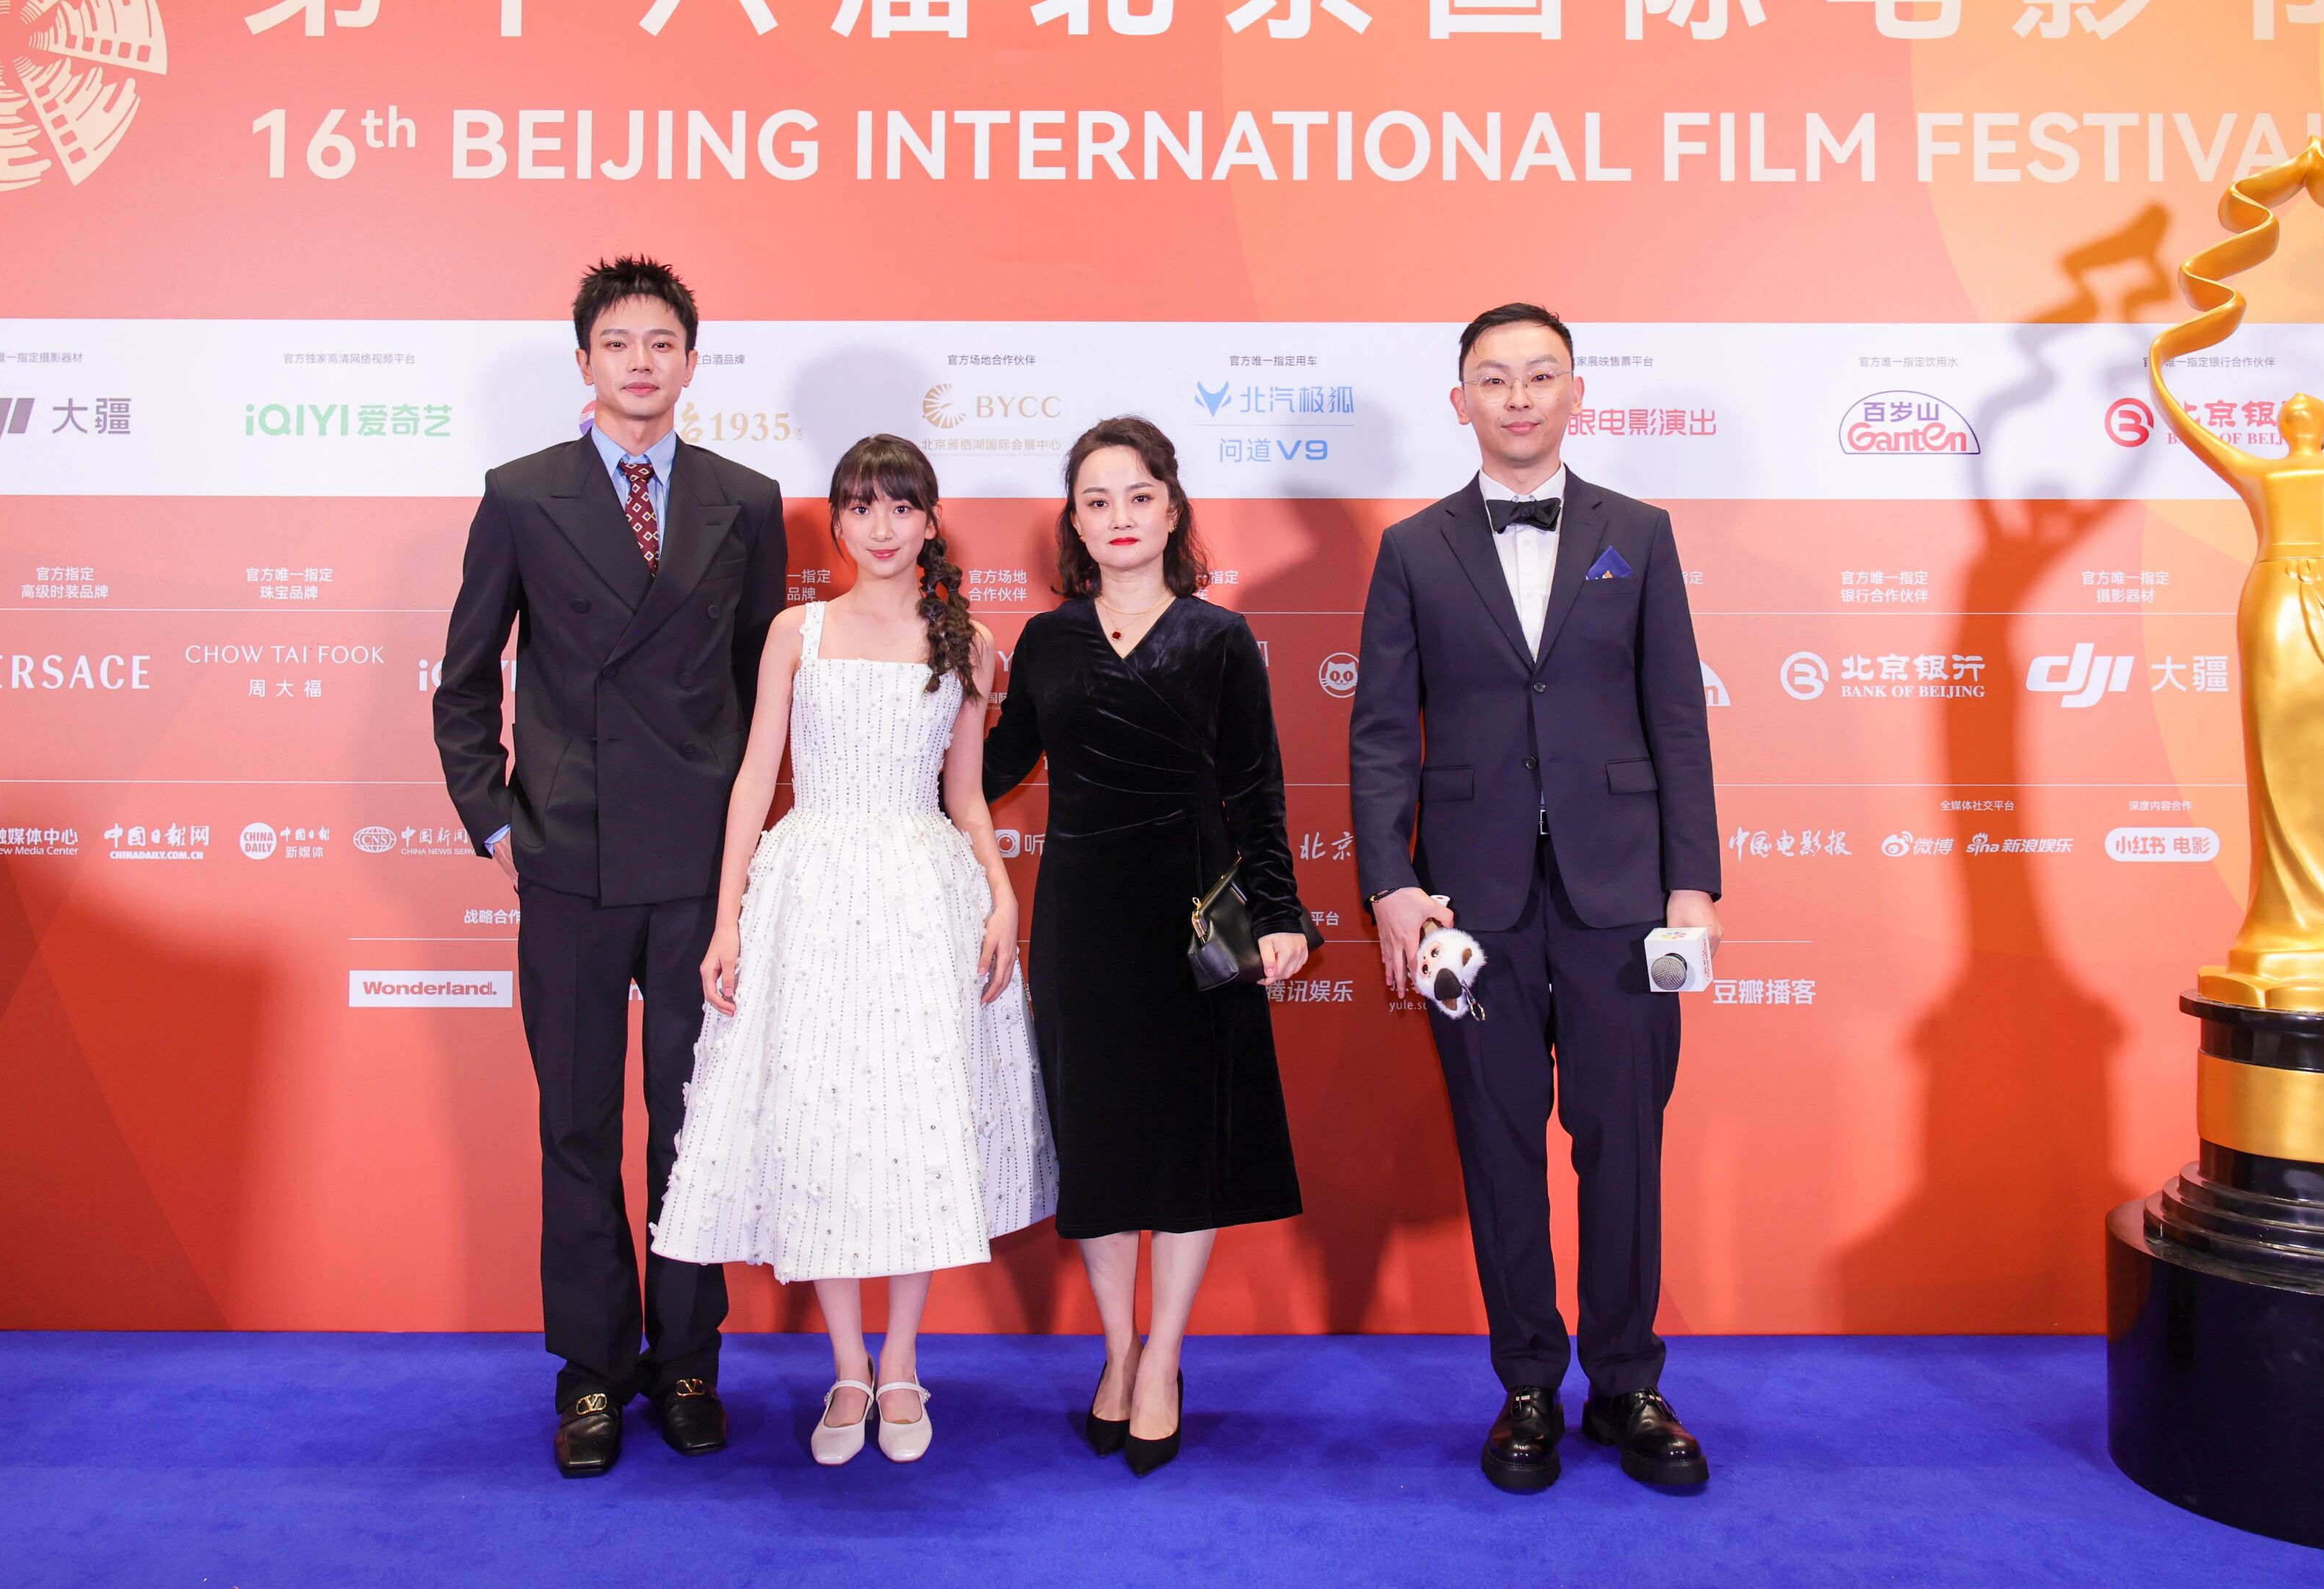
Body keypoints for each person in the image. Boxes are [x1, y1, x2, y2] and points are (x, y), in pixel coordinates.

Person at [1349, 303, 1723, 1494]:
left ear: (1577, 393)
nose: (1518, 397)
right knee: (1499, 1144)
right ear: (1460, 398)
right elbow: (1381, 734)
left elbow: (1678, 719)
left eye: (1540, 375)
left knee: (1625, 1143)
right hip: (1472, 904)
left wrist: (1693, 883)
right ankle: (1526, 1382)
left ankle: (1627, 1382)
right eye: (1495, 378)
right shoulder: (1412, 549)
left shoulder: (1641, 534)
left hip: (1625, 899)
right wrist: (1392, 883)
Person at [435, 257, 787, 1477]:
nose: (642, 361)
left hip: (698, 864)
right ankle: (590, 1371)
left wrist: (746, 848)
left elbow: (762, 691)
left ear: (692, 360)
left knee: (693, 1124)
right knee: (578, 1124)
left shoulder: (746, 500)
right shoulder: (520, 495)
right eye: (619, 342)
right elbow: (465, 679)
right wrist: (499, 824)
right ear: (584, 360)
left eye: (662, 342)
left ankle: (688, 1361)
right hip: (570, 855)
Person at [650, 434, 1054, 1466]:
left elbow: (968, 796)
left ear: (930, 521)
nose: (882, 526)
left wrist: (1002, 894)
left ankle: (903, 1361)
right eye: (862, 506)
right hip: (812, 892)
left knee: (916, 1123)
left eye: (901, 506)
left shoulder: (969, 643)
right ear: (835, 522)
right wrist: (728, 916)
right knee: (822, 1121)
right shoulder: (798, 631)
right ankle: (846, 1367)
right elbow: (755, 780)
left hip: (924, 893)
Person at [981, 416, 1310, 1476]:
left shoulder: (1219, 640)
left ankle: (1164, 1355)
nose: (1119, 517)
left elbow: (1258, 793)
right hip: (1082, 921)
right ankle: (1117, 1349)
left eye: (1137, 496)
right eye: (1097, 501)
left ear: (1172, 508)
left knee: (1185, 1144)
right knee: (1100, 1143)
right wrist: (927, 703)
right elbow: (991, 773)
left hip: (1196, 919)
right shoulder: (1046, 641)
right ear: (1074, 524)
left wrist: (1280, 915)